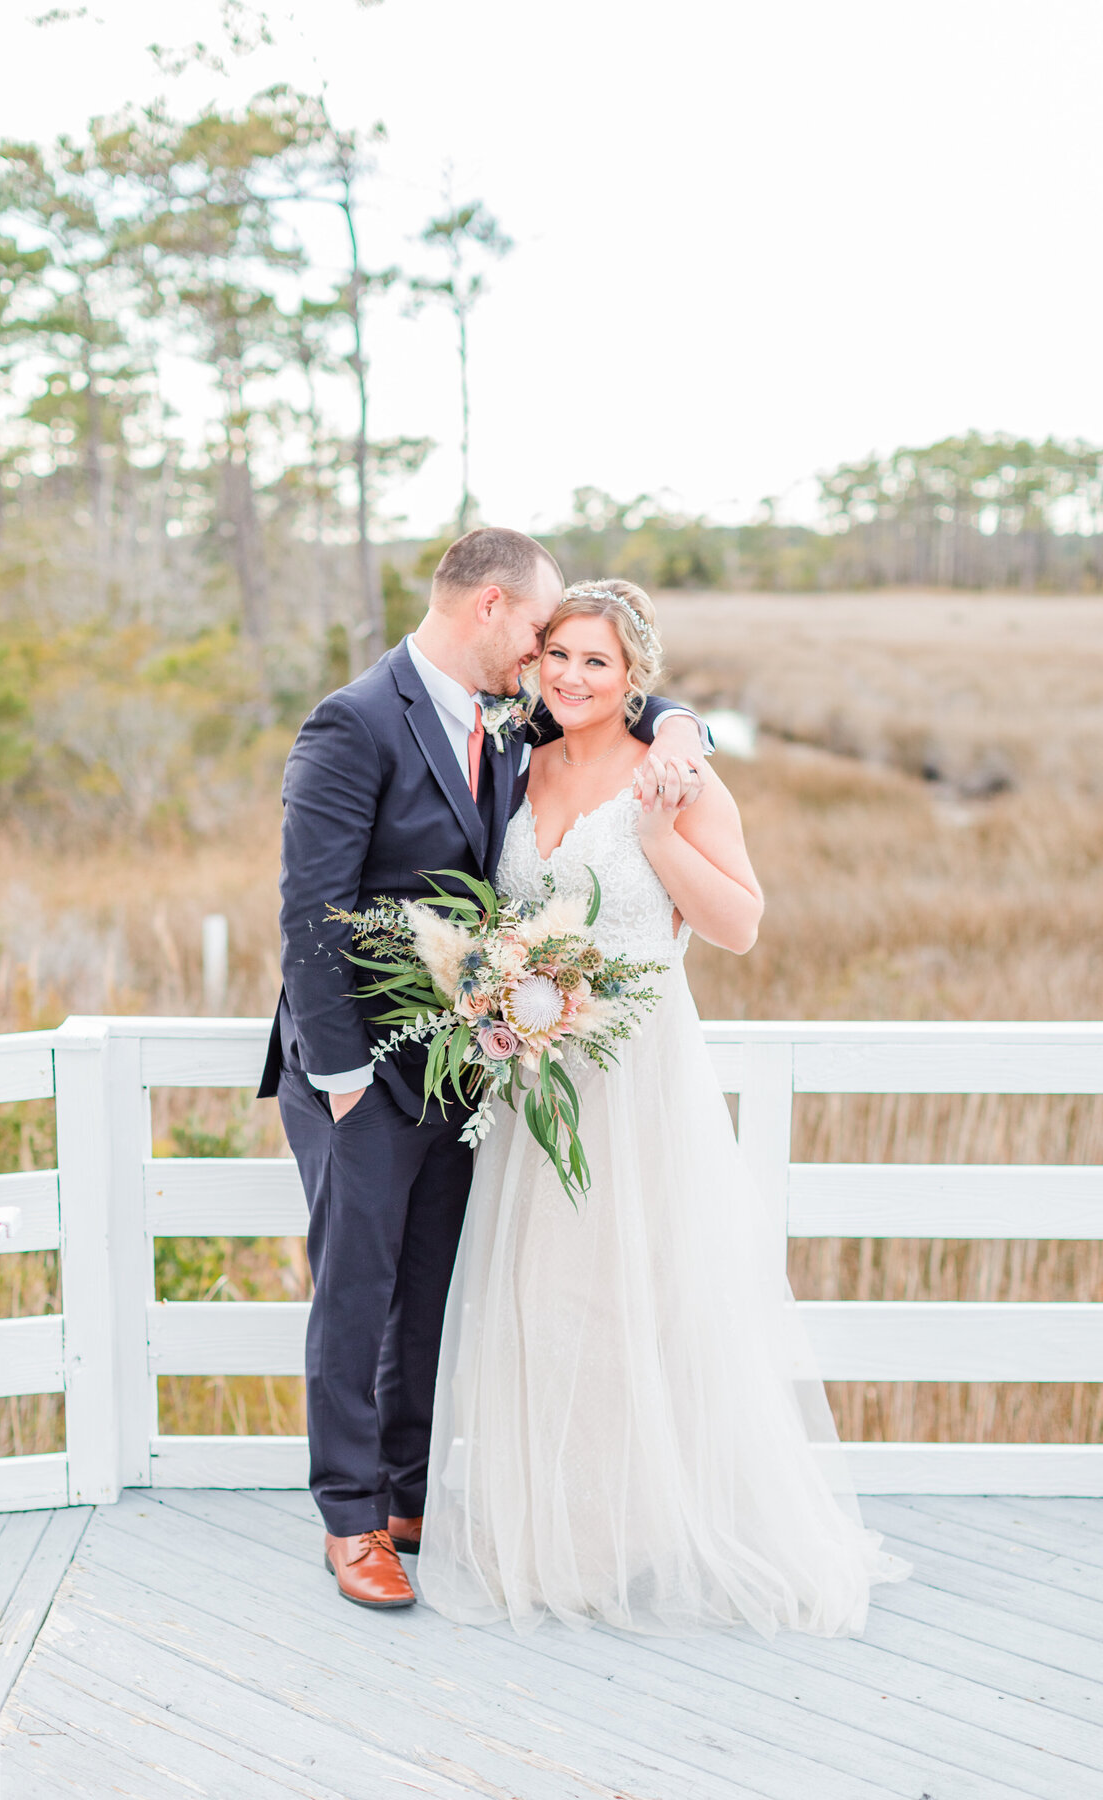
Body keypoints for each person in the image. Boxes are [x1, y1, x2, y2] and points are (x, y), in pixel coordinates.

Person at [417, 579, 911, 1638]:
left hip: (637, 1077)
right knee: (537, 1300)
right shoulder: (519, 762)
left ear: (633, 677)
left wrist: (655, 837)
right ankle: (542, 1528)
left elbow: (738, 924)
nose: (571, 677)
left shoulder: (674, 777)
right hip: (537, 1081)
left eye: (596, 662)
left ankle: (617, 1532)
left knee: (628, 1302)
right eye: (557, 657)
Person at [258, 531, 710, 1610]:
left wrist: (683, 726)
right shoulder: (354, 722)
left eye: (565, 647)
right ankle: (352, 1520)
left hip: (465, 1072)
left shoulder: (508, 721)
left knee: (431, 1292)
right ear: (493, 609)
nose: (551, 659)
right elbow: (310, 911)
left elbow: (622, 698)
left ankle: (409, 1492)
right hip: (359, 1073)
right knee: (357, 1293)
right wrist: (339, 1074)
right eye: (540, 635)